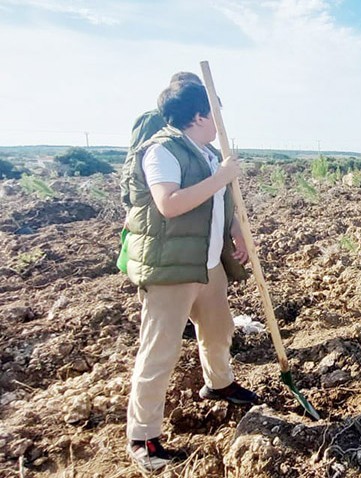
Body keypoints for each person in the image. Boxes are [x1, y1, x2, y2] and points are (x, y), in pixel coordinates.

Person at [123, 81, 256, 472]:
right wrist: (222, 177)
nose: (220, 119)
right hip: (171, 269)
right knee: (160, 350)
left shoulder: (208, 153)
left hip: (207, 263)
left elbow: (219, 201)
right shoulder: (162, 151)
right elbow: (169, 204)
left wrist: (234, 230)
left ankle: (219, 383)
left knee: (218, 329)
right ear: (199, 115)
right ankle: (143, 436)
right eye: (215, 109)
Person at [120, 71, 203, 341]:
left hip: (184, 198)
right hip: (156, 200)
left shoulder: (195, 124)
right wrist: (131, 204)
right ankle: (158, 314)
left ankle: (189, 315)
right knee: (155, 262)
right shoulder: (153, 120)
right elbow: (135, 163)